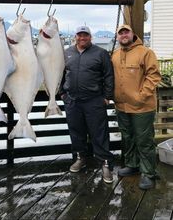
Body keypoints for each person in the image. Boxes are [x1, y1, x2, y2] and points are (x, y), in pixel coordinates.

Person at [61, 26, 114, 183]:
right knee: (76, 132)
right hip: (72, 101)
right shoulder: (67, 53)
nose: (82, 38)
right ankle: (81, 158)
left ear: (90, 37)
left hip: (94, 100)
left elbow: (109, 76)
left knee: (99, 133)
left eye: (85, 35)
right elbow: (60, 74)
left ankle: (105, 164)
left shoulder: (101, 53)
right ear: (75, 37)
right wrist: (62, 93)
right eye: (79, 35)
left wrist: (107, 97)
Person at [111, 24, 161, 190]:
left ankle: (148, 173)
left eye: (126, 32)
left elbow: (153, 76)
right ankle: (132, 164)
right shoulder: (115, 54)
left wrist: (141, 96)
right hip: (121, 106)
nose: (124, 35)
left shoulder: (146, 52)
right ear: (117, 37)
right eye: (121, 33)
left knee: (144, 140)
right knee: (128, 137)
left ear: (133, 34)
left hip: (142, 107)